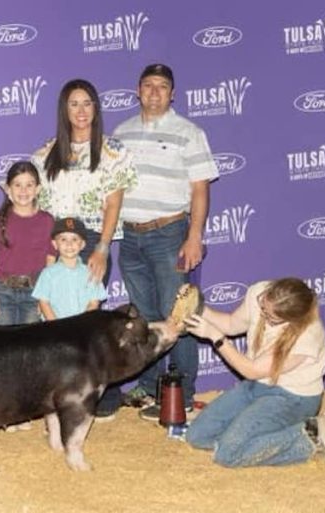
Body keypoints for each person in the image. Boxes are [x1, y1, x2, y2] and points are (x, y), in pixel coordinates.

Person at [112, 63, 219, 421]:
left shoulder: (189, 132)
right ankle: (152, 383)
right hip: (129, 236)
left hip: (170, 232)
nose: (154, 92)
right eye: (148, 85)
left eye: (162, 86)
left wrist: (194, 235)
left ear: (172, 94)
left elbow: (200, 188)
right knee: (144, 315)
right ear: (137, 90)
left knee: (179, 315)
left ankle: (184, 393)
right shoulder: (121, 134)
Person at [32, 78, 137, 418]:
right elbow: (43, 209)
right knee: (56, 320)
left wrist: (103, 247)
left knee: (92, 318)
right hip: (57, 238)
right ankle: (58, 391)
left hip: (92, 239)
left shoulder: (112, 152)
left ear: (96, 108)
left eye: (87, 103)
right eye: (74, 104)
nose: (81, 110)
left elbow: (113, 203)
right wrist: (49, 256)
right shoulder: (46, 154)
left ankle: (104, 392)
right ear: (64, 109)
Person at [184, 278, 325, 466]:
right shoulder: (260, 291)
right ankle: (255, 437)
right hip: (255, 387)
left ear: (291, 320)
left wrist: (215, 337)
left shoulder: (307, 336)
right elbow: (231, 324)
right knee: (197, 436)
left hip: (293, 398)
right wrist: (196, 306)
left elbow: (251, 370)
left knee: (227, 455)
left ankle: (311, 435)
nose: (262, 313)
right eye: (263, 305)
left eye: (271, 317)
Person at [0, 160, 55, 326]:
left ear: (37, 189)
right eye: (17, 185)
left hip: (35, 292)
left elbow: (50, 262)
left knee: (30, 345)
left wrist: (45, 297)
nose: (23, 191)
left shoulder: (47, 221)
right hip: (3, 291)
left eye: (29, 185)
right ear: (8, 189)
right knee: (5, 347)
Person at [32, 217, 107, 321]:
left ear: (82, 244)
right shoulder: (48, 273)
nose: (69, 244)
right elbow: (44, 301)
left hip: (82, 329)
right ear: (54, 244)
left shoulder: (91, 273)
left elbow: (94, 302)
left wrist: (81, 324)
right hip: (55, 330)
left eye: (75, 239)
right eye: (63, 239)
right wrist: (57, 326)